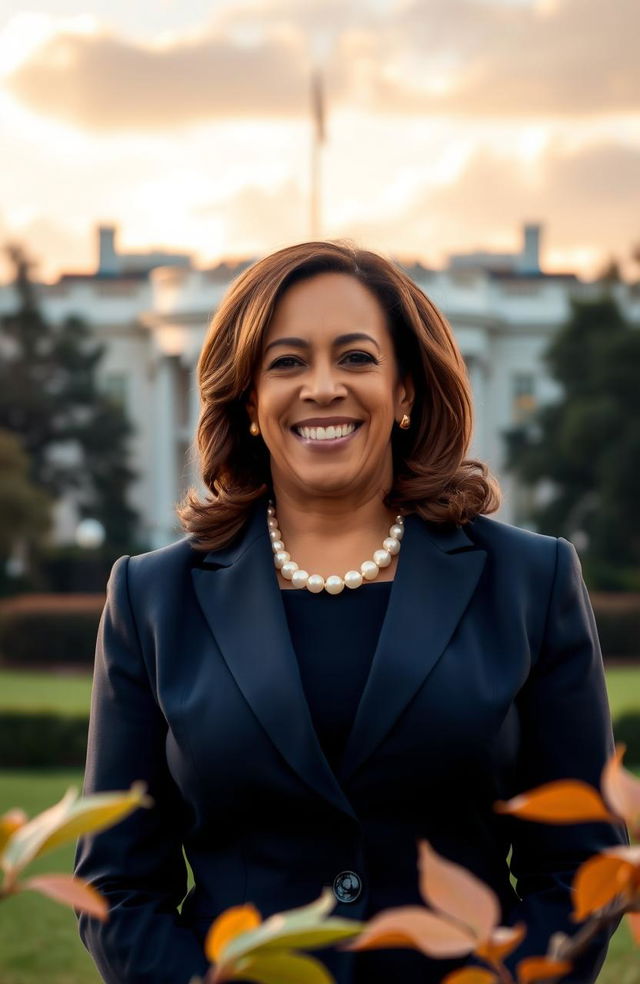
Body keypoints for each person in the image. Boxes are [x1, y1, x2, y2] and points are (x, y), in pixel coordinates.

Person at [74, 241, 626, 984]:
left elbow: (582, 867)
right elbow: (116, 884)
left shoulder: (529, 580)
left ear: (404, 393)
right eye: (287, 362)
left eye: (357, 358)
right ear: (248, 400)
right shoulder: (152, 598)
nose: (323, 387)